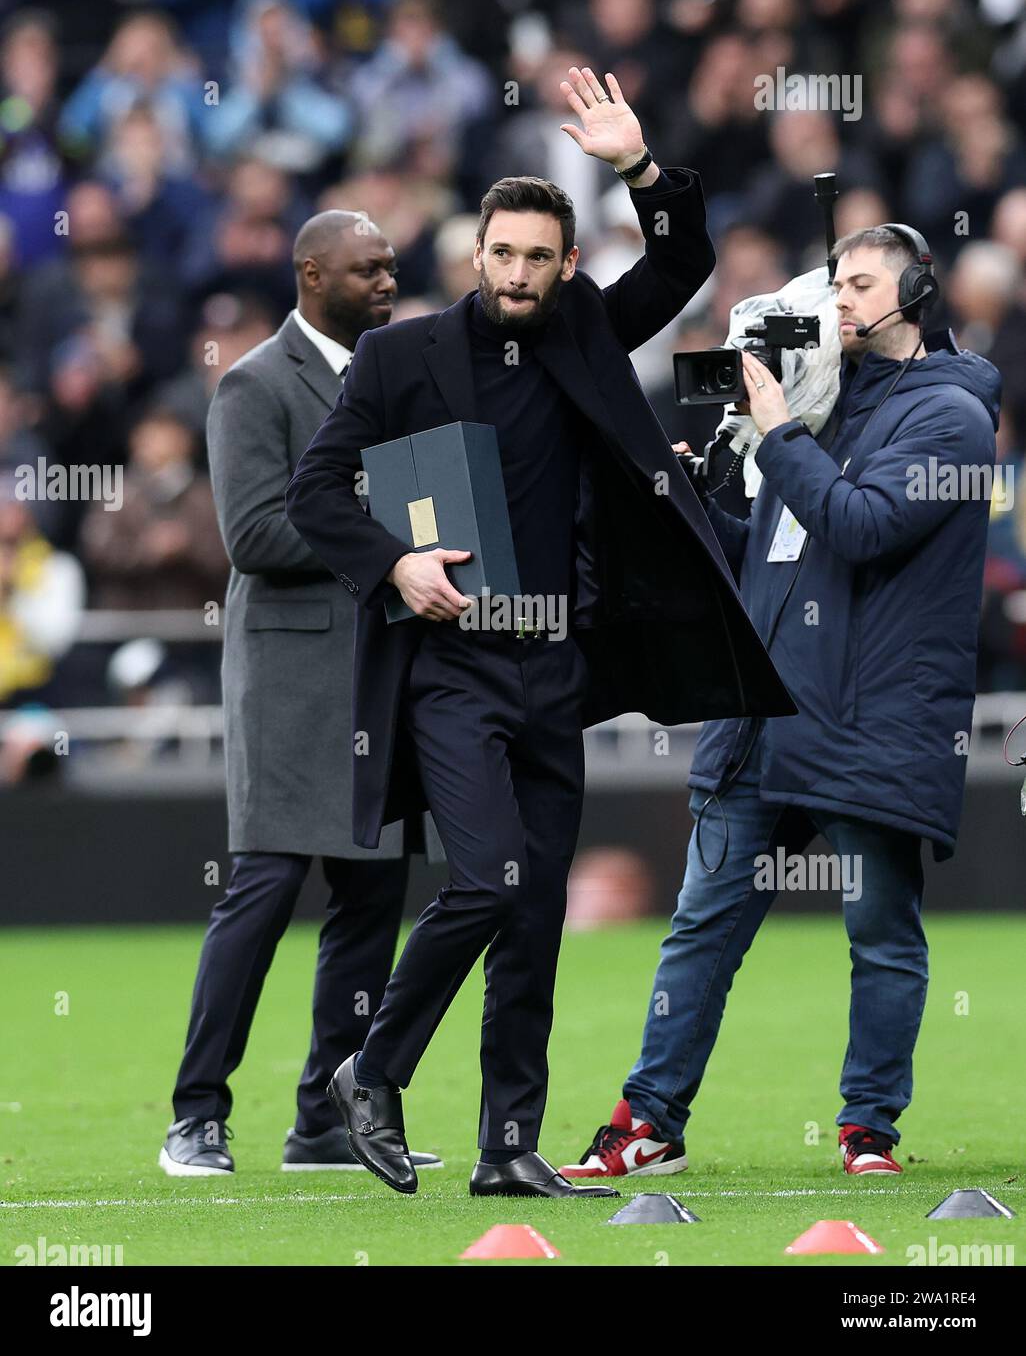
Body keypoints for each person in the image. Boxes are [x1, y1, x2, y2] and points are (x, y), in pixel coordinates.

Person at [285, 66, 792, 1199]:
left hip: (556, 668)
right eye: (500, 253)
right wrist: (397, 563)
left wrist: (640, 169)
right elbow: (316, 495)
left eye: (538, 257)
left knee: (536, 910)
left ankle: (508, 1145)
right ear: (476, 253)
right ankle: (373, 1068)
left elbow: (682, 262)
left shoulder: (585, 336)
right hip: (452, 669)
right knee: (490, 877)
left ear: (568, 266)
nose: (517, 274)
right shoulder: (397, 357)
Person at [562, 223, 1000, 1183]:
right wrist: (677, 492)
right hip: (765, 710)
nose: (837, 304)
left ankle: (867, 1131)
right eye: (834, 285)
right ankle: (649, 1121)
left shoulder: (954, 418)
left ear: (916, 294)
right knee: (700, 929)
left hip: (869, 718)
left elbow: (859, 526)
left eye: (860, 286)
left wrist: (780, 433)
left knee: (879, 932)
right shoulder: (822, 404)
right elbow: (766, 545)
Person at [160, 209, 443, 1177]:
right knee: (266, 886)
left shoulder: (397, 376)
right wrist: (388, 539)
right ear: (311, 274)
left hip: (382, 668)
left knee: (372, 891)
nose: (386, 284)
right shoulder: (254, 383)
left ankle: (325, 1117)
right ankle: (195, 1113)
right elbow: (254, 537)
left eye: (393, 268)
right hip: (289, 677)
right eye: (367, 270)